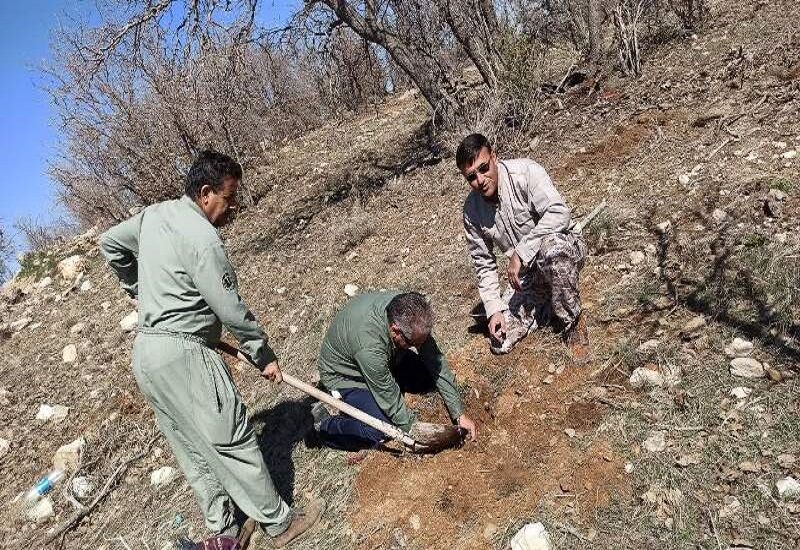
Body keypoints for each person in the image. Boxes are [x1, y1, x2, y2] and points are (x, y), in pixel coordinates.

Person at [100, 150, 322, 549]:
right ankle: (279, 523)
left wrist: (140, 289)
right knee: (231, 435)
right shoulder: (202, 239)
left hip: (147, 356)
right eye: (230, 196)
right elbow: (231, 310)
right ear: (206, 193)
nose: (233, 206)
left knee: (191, 444)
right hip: (184, 352)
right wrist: (262, 354)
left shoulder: (155, 216)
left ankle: (223, 527)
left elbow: (110, 244)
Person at [458, 133, 591, 362]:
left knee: (552, 251)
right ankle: (548, 304)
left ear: (494, 157)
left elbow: (559, 213)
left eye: (484, 168)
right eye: (472, 176)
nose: (480, 180)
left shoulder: (526, 172)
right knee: (500, 341)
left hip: (564, 248)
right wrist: (494, 309)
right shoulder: (472, 211)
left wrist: (521, 251)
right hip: (528, 275)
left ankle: (573, 322)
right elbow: (483, 263)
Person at [313, 291, 477, 451]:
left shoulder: (408, 310)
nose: (417, 348)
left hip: (384, 358)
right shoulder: (369, 346)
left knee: (426, 379)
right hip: (347, 375)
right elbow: (388, 395)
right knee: (382, 429)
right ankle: (326, 427)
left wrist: (459, 414)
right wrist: (414, 430)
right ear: (395, 330)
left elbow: (435, 362)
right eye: (413, 343)